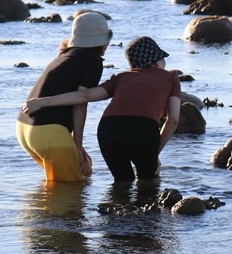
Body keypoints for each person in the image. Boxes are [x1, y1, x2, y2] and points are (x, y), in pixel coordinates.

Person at [23, 36, 181, 183]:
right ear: (156, 61)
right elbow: (173, 119)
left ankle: (113, 211)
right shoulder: (171, 77)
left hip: (109, 130)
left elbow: (85, 96)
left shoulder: (120, 77)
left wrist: (42, 102)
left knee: (122, 182)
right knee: (149, 183)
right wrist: (154, 153)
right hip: (143, 129)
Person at [17, 12, 112, 182]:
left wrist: (76, 144)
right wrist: (78, 145)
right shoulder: (93, 61)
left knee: (82, 174)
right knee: (69, 193)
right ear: (103, 41)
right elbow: (81, 102)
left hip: (25, 128)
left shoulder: (64, 57)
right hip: (49, 132)